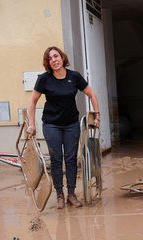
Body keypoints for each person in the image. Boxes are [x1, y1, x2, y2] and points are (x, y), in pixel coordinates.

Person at [27, 46, 100, 209]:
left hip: (71, 124)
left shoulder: (74, 77)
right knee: (56, 158)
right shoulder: (44, 79)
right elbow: (32, 102)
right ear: (48, 63)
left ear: (62, 57)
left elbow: (92, 94)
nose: (54, 60)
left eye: (56, 56)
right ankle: (59, 195)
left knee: (71, 158)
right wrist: (32, 124)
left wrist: (97, 115)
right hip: (51, 124)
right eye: (50, 58)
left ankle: (72, 194)